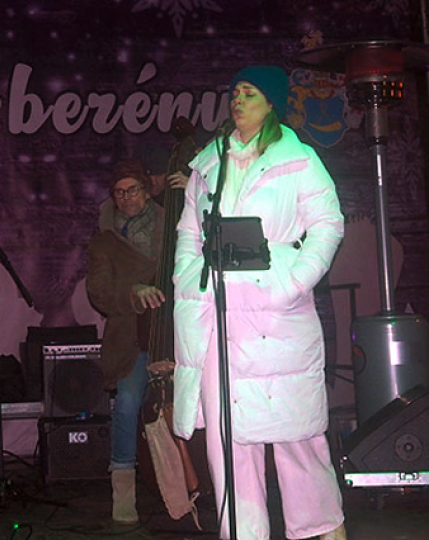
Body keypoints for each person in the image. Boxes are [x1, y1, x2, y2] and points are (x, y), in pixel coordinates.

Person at [172, 65, 346, 539]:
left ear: (272, 103)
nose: (238, 100)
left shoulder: (299, 159)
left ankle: (323, 530)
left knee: (296, 436)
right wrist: (188, 275)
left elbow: (328, 224)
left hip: (275, 315)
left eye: (250, 93)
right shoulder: (209, 163)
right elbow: (188, 231)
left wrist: (294, 280)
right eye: (235, 92)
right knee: (229, 443)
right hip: (220, 316)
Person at [86, 158, 186, 522]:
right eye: (119, 192)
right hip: (133, 338)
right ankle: (124, 493)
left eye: (133, 190)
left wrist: (196, 194)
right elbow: (98, 291)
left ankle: (195, 482)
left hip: (179, 333)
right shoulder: (104, 241)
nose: (126, 197)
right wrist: (133, 291)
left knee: (191, 407)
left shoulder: (175, 222)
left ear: (147, 191)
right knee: (128, 405)